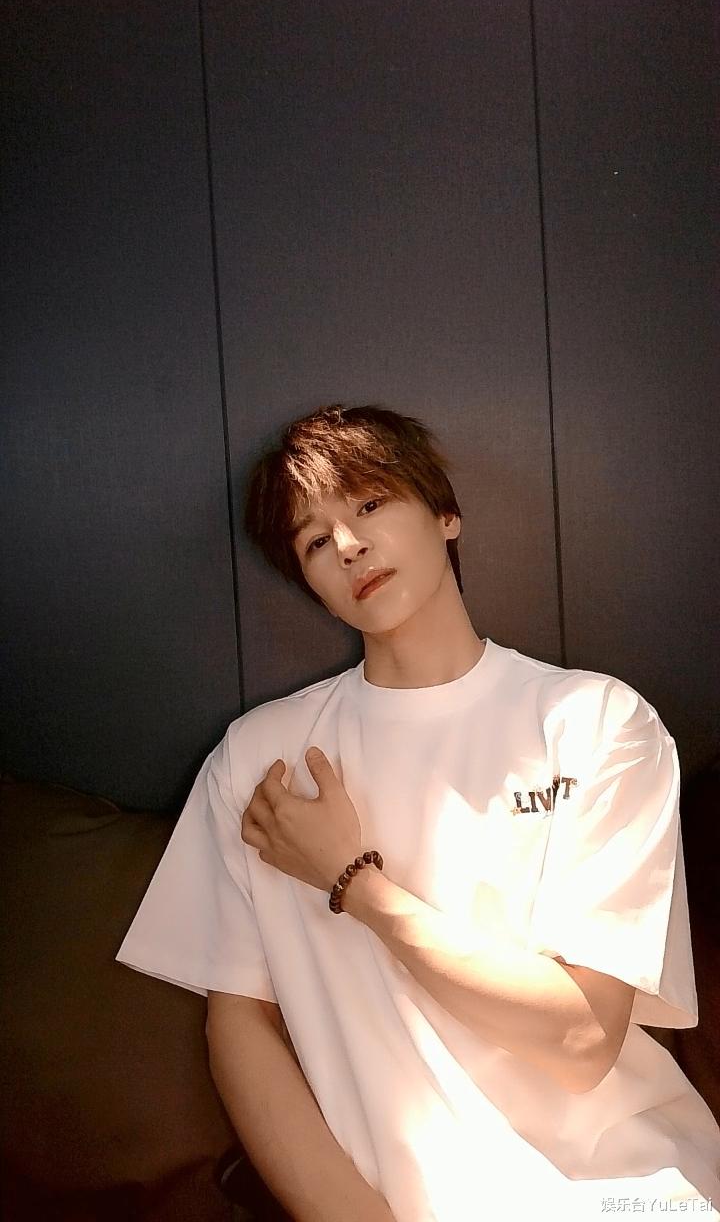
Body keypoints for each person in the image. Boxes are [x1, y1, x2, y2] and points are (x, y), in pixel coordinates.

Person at [117, 404, 720, 1222]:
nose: (348, 545)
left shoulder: (597, 722)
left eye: (368, 504)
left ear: (444, 514)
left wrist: (354, 884)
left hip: (628, 1193)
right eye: (313, 542)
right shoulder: (264, 756)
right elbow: (239, 1026)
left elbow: (581, 1041)